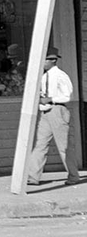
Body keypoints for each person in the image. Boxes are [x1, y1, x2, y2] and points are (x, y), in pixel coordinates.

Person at [27, 46, 81, 187]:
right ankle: (33, 176)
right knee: (40, 144)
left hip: (57, 110)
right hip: (45, 113)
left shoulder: (60, 75)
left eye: (44, 60)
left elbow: (68, 95)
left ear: (53, 60)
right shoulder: (44, 76)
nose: (42, 63)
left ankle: (73, 175)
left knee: (64, 146)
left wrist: (51, 99)